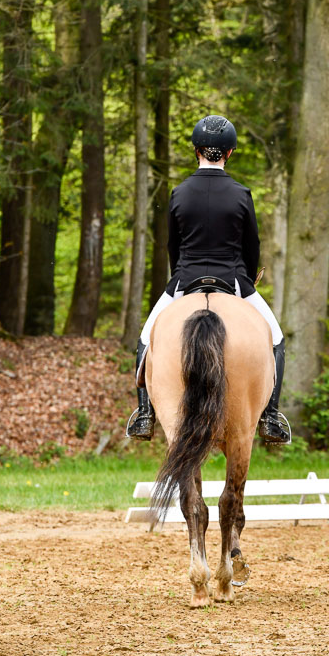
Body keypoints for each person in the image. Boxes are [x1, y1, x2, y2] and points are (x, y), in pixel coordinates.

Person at [127, 114, 290, 444]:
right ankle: (270, 415)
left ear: (196, 150)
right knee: (276, 338)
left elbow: (173, 246)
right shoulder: (241, 194)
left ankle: (144, 414)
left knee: (146, 338)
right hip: (234, 280)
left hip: (185, 280)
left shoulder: (179, 193)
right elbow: (252, 246)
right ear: (229, 153)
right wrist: (247, 278)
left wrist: (179, 276)